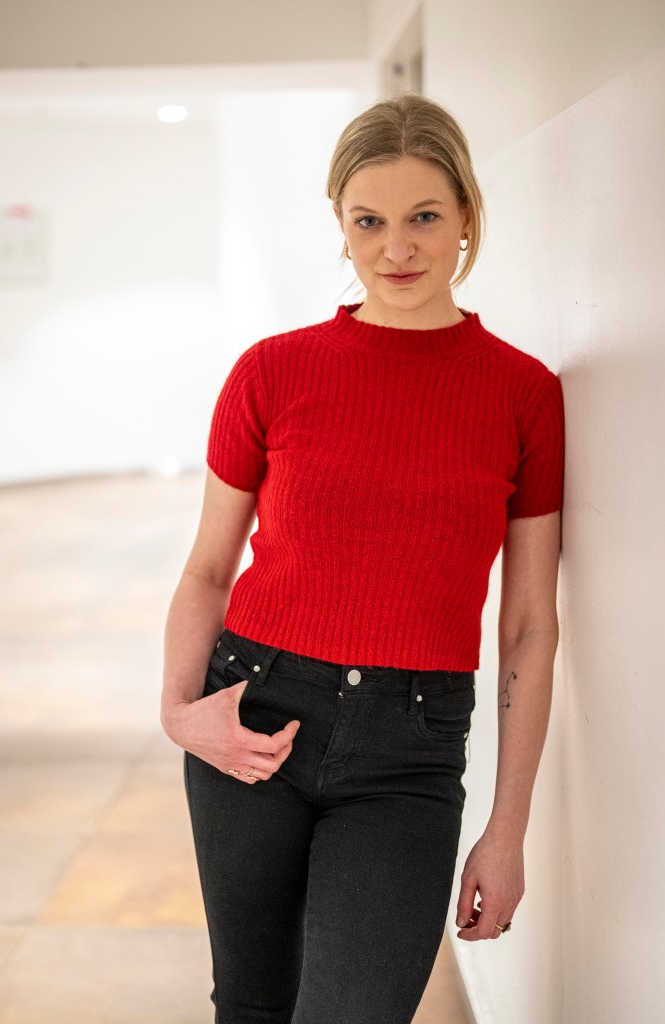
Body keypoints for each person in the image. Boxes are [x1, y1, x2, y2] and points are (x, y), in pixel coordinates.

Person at [160, 91, 565, 1024]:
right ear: (340, 227)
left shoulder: (523, 394)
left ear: (466, 217)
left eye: (423, 216)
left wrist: (506, 830)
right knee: (251, 1004)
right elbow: (208, 570)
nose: (397, 249)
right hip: (254, 711)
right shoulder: (270, 371)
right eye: (368, 221)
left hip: (409, 751)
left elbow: (528, 626)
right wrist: (181, 714)